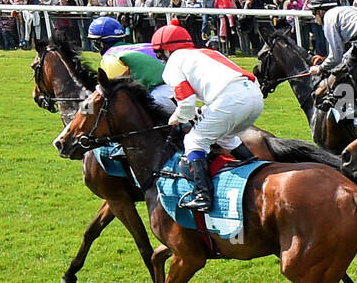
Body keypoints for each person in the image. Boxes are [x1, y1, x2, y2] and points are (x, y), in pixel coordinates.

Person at [155, 24, 265, 212]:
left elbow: (187, 103)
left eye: (159, 54)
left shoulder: (174, 61)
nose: (161, 59)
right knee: (225, 137)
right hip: (255, 97)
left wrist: (177, 117)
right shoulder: (205, 52)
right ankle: (256, 165)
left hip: (230, 99)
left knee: (194, 140)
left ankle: (203, 195)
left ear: (166, 49)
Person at [99, 26, 177, 116]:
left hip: (162, 94)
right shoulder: (137, 47)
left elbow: (118, 91)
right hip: (178, 89)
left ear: (101, 44)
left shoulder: (110, 57)